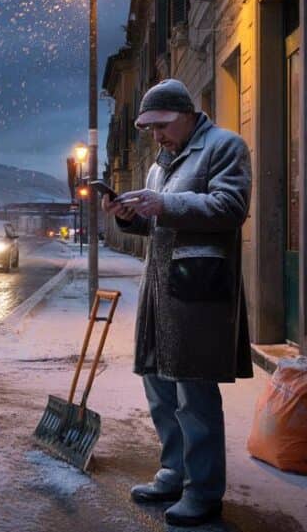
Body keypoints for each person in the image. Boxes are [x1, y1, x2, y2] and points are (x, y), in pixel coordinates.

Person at [102, 78, 252, 526]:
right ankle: (174, 470)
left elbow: (231, 206)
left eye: (162, 126)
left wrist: (162, 203)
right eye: (149, 129)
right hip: (160, 290)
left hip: (197, 291)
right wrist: (133, 217)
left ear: (188, 114)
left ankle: (204, 491)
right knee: (158, 384)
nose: (156, 136)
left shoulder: (225, 147)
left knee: (194, 391)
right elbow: (158, 224)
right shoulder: (158, 165)